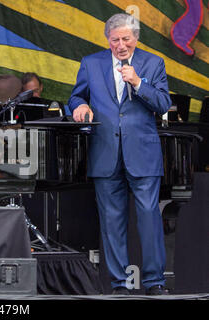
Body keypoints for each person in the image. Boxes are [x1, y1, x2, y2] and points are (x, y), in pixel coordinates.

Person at [68, 13, 171, 295]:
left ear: (136, 38)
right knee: (112, 222)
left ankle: (154, 282)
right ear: (108, 40)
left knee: (149, 217)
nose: (121, 45)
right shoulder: (91, 63)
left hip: (143, 153)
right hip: (105, 151)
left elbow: (163, 103)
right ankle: (120, 284)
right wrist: (77, 106)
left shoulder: (153, 63)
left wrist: (138, 83)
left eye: (126, 39)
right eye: (115, 40)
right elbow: (76, 96)